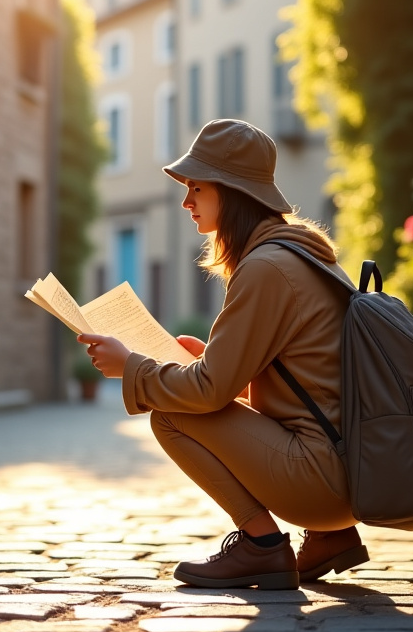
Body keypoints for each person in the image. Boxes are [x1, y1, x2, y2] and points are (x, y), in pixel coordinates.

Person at [78, 119, 369, 591]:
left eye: (196, 187)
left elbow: (210, 393)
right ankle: (330, 536)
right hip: (348, 468)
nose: (185, 201)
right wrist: (211, 356)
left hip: (324, 477)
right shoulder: (301, 254)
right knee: (190, 396)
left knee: (172, 415)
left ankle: (263, 547)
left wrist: (129, 366)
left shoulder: (266, 268)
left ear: (230, 192)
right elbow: (303, 376)